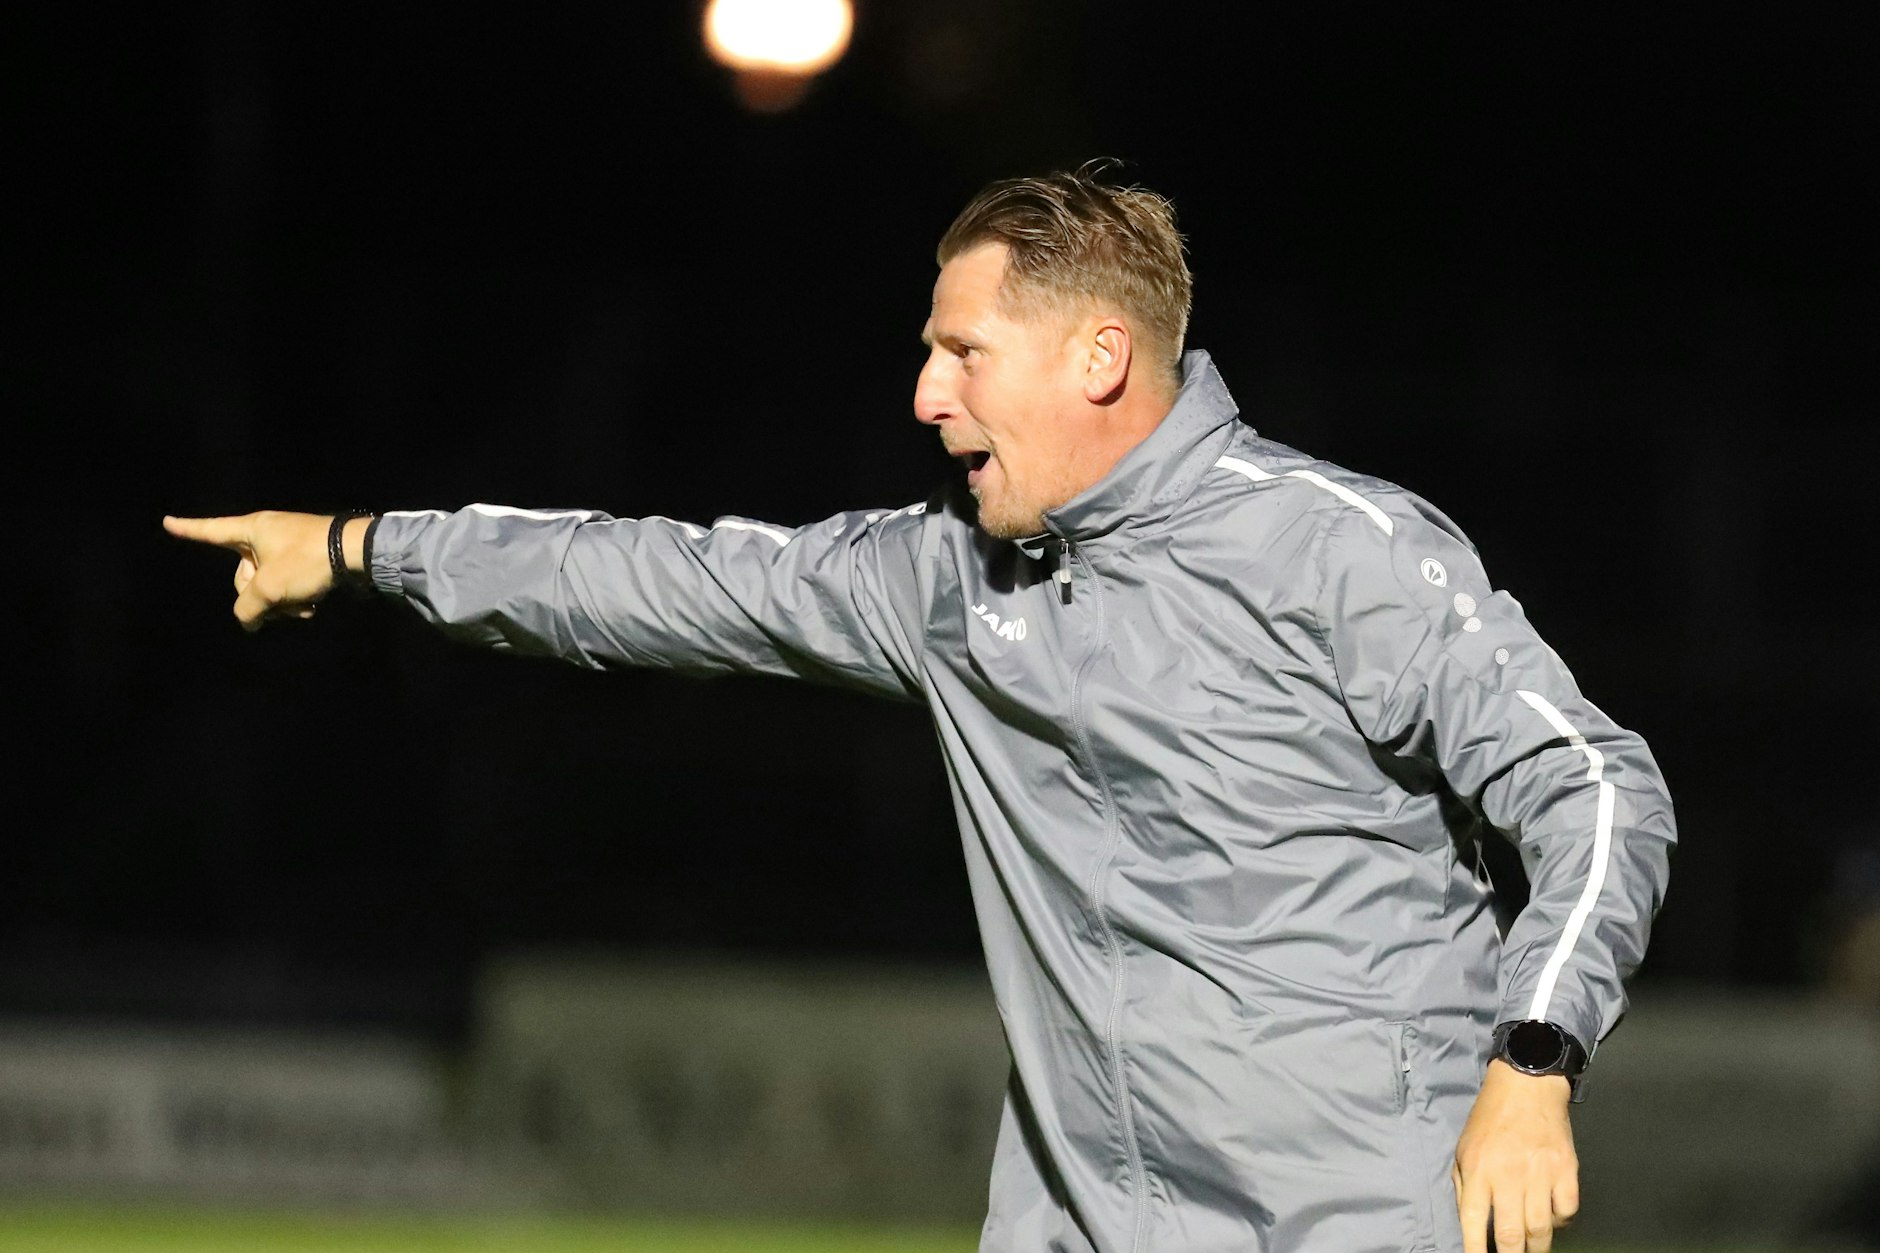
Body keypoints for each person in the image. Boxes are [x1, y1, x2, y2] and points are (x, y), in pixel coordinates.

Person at [166, 166, 1676, 1253]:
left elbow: (1600, 788)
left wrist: (1532, 1066)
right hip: (1085, 1214)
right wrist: (368, 548)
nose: (925, 397)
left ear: (1099, 357)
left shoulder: (1334, 547)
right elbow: (656, 575)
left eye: (963, 352)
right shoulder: (950, 582)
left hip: (1363, 1210)